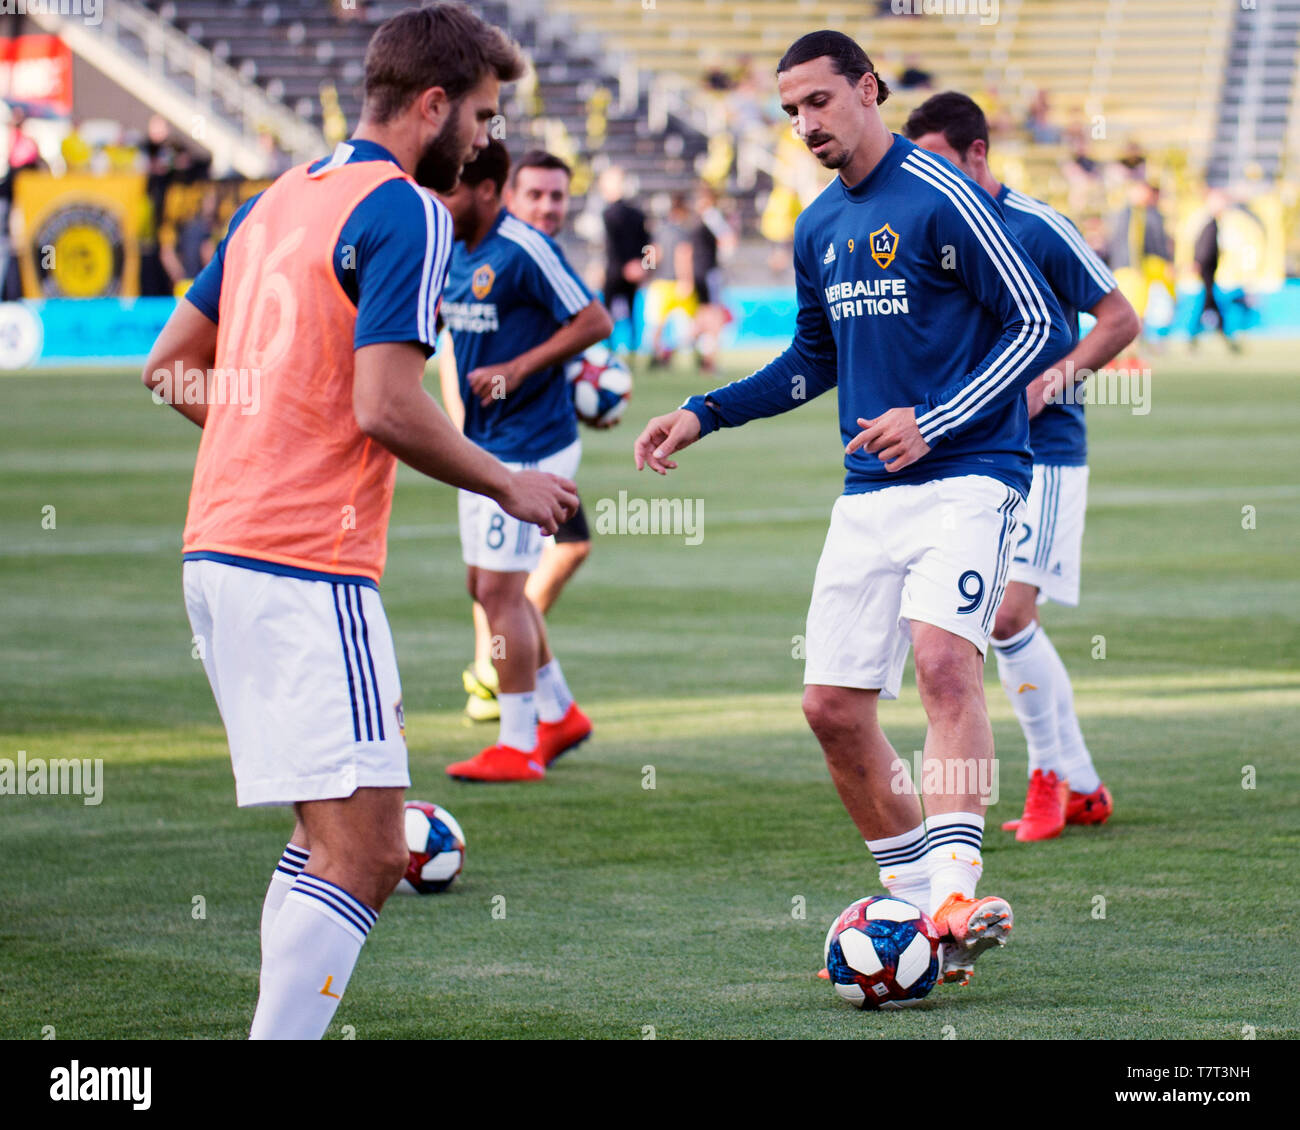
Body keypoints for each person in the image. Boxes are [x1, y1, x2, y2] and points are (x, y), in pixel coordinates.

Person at [140, 3, 576, 1039]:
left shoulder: (280, 197)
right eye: (479, 114)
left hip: (219, 551)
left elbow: (166, 369)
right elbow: (385, 404)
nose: (485, 139)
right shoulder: (408, 212)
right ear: (433, 106)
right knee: (373, 849)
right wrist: (504, 480)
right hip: (305, 561)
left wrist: (267, 423)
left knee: (332, 838)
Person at [635, 31, 1072, 987]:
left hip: (973, 474)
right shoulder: (817, 224)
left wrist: (939, 418)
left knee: (942, 659)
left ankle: (957, 889)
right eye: (790, 110)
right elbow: (810, 361)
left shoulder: (943, 194)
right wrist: (702, 413)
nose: (804, 124)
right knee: (831, 706)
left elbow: (1037, 320)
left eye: (820, 102)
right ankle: (919, 915)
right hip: (870, 492)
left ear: (868, 90)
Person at [906, 91, 1140, 841]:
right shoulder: (931, 228)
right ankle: (1080, 783)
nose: (927, 181)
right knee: (978, 627)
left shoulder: (1037, 227)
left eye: (940, 163)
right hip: (967, 454)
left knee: (1008, 615)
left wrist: (1050, 382)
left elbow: (1120, 319)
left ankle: (1048, 776)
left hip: (1045, 451)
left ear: (979, 154)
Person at [436, 139, 611, 782]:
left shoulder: (526, 248)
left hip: (531, 442)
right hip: (484, 441)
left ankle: (516, 742)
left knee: (500, 591)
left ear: (485, 189)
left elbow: (593, 321)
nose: (439, 197)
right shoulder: (452, 245)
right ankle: (558, 712)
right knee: (486, 587)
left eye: (450, 186)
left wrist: (517, 367)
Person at [599, 165, 651, 355]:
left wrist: (626, 266)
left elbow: (613, 246)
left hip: (615, 271)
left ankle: (611, 350)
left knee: (608, 313)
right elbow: (649, 245)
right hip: (634, 272)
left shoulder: (608, 213)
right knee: (631, 314)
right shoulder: (639, 214)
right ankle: (633, 351)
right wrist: (645, 268)